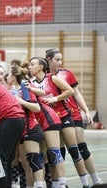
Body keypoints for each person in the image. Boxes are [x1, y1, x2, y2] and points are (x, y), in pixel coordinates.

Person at [29, 57, 90, 188]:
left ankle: (85, 183)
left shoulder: (51, 78)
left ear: (41, 67)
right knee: (53, 153)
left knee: (74, 150)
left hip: (63, 116)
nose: (29, 67)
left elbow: (70, 91)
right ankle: (58, 184)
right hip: (48, 120)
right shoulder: (31, 83)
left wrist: (55, 98)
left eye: (32, 64)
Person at [46, 48, 102, 185]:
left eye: (61, 59)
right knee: (59, 151)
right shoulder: (44, 77)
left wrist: (86, 111)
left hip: (72, 114)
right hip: (54, 117)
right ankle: (60, 183)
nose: (60, 62)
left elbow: (76, 94)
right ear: (49, 60)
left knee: (80, 147)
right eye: (57, 59)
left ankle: (95, 180)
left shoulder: (66, 74)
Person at [6, 65, 45, 188]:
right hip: (19, 132)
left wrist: (21, 101)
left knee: (34, 160)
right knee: (26, 166)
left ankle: (40, 185)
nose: (6, 77)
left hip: (31, 128)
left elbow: (37, 108)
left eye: (8, 74)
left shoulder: (24, 88)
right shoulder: (9, 91)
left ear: (13, 77)